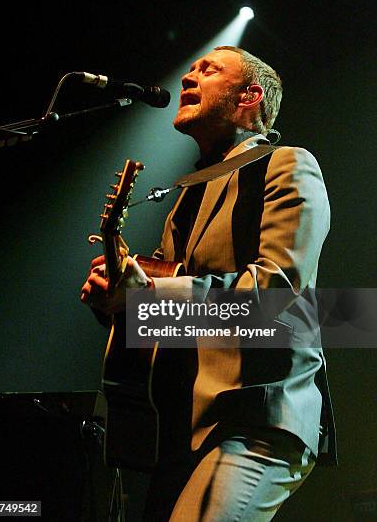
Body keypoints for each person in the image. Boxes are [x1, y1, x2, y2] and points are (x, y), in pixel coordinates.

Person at [80, 45, 336, 521]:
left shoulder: (287, 164)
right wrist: (116, 302)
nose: (188, 76)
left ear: (250, 96)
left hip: (256, 417)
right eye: (191, 69)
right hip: (179, 430)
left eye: (208, 68)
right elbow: (172, 321)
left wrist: (148, 294)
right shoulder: (187, 197)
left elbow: (276, 294)